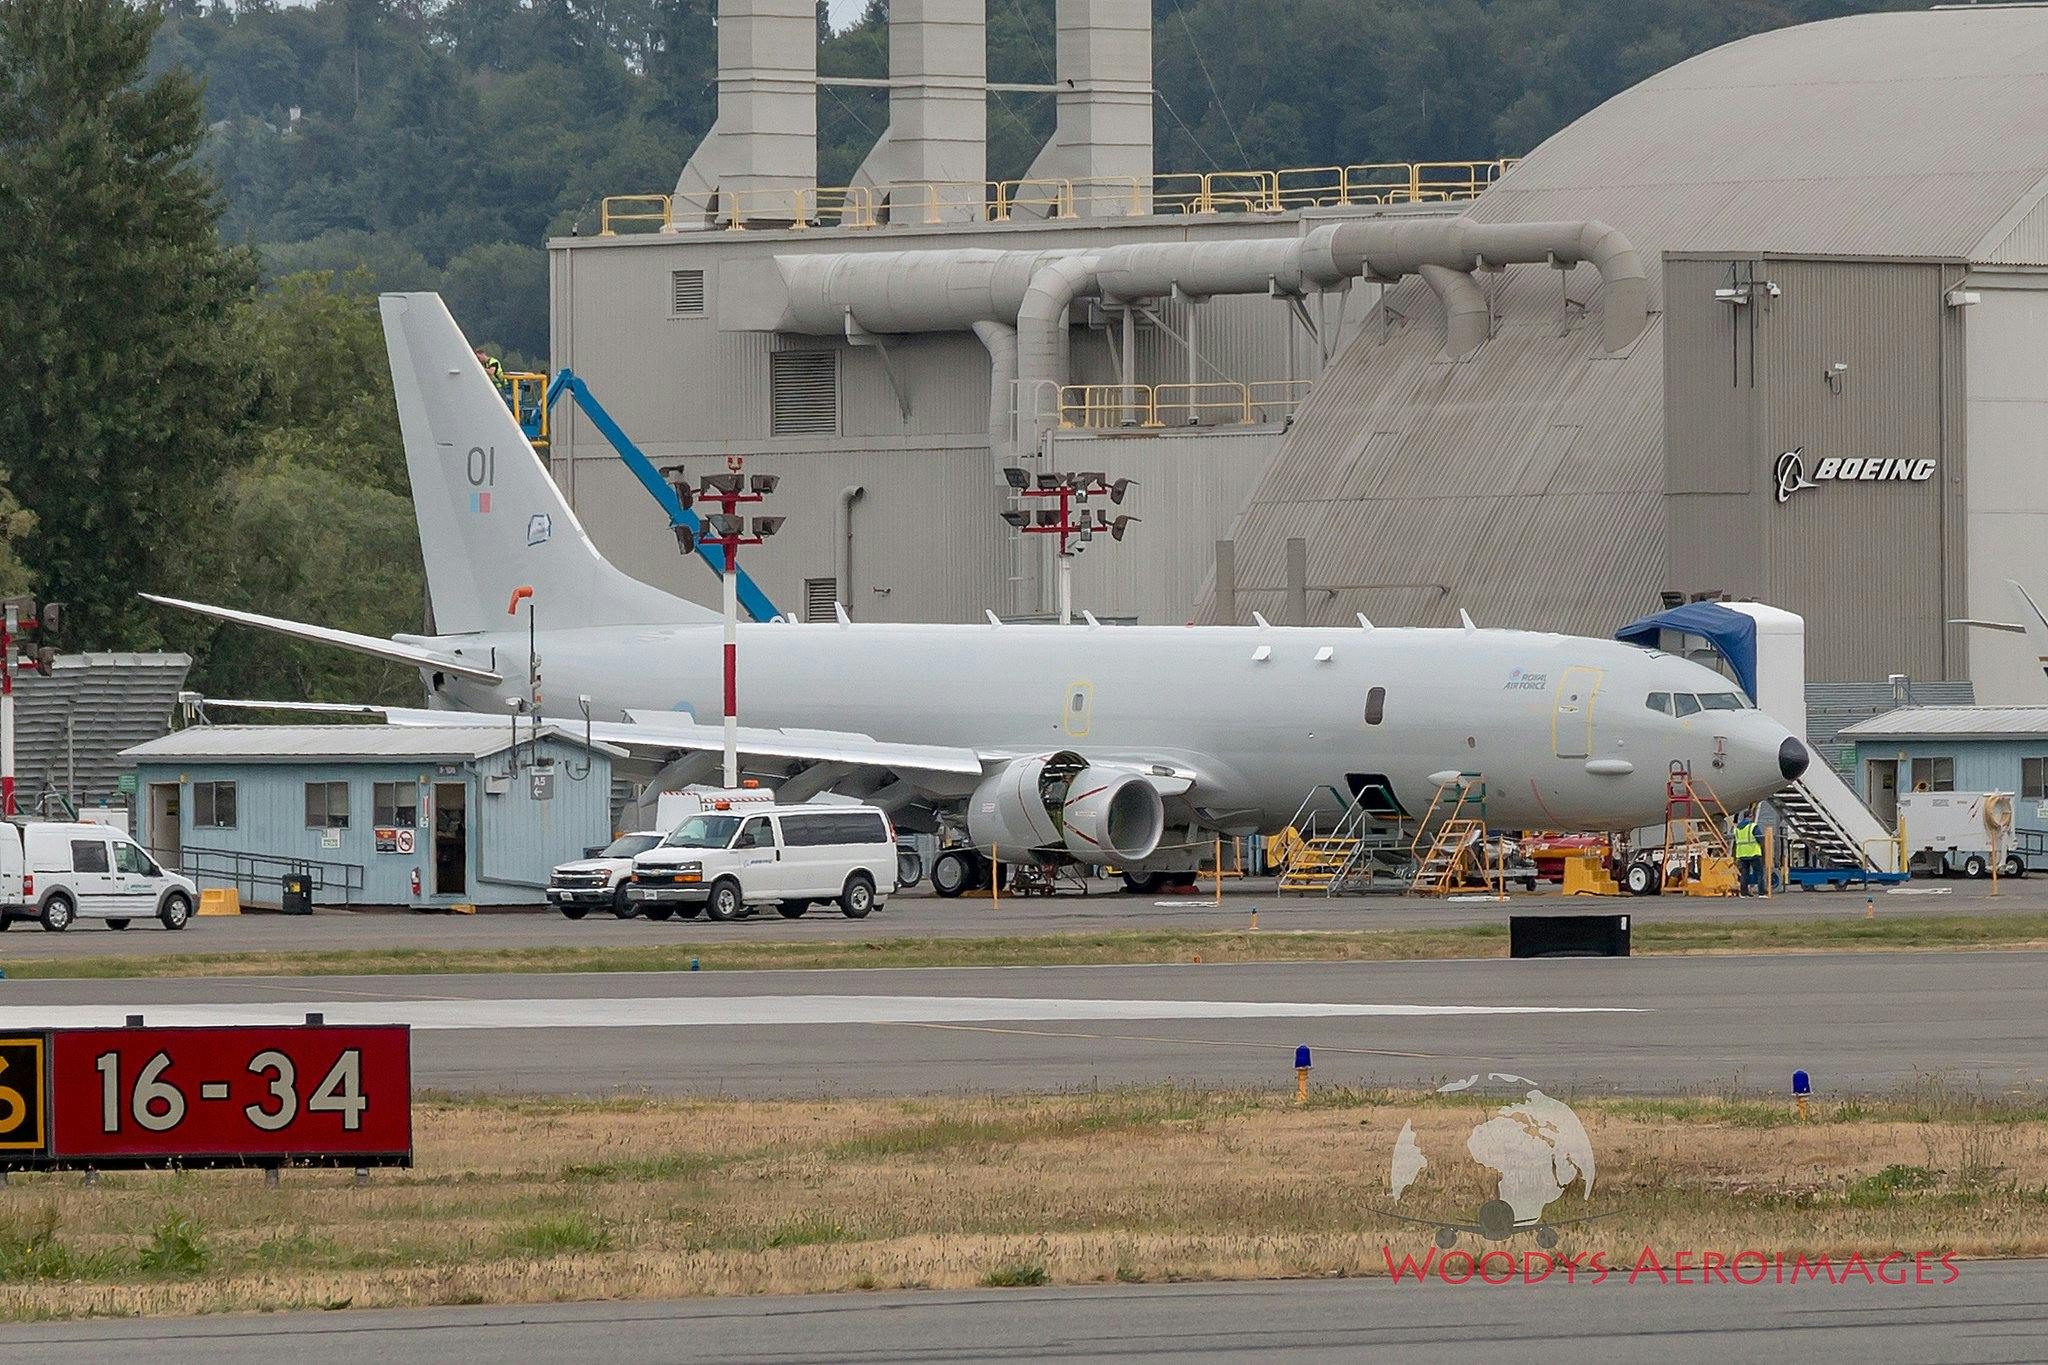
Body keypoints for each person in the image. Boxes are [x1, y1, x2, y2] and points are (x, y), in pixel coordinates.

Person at [1733, 808, 1764, 897]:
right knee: (1759, 873)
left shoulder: (1737, 829)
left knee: (1744, 874)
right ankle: (1761, 893)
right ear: (1751, 817)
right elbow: (1759, 838)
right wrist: (1762, 845)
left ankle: (1743, 893)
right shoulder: (1753, 826)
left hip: (1742, 854)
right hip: (1754, 852)